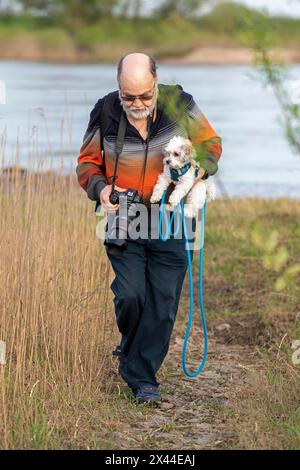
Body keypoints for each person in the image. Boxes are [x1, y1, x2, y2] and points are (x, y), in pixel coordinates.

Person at [76, 52, 222, 404]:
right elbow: (86, 163)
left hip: (172, 219)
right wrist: (102, 189)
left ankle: (142, 378)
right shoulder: (105, 111)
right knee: (130, 296)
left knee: (163, 300)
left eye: (144, 96)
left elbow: (211, 146)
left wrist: (198, 173)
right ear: (118, 88)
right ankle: (131, 349)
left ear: (156, 84)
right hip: (125, 218)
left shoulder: (180, 102)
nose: (137, 104)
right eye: (129, 97)